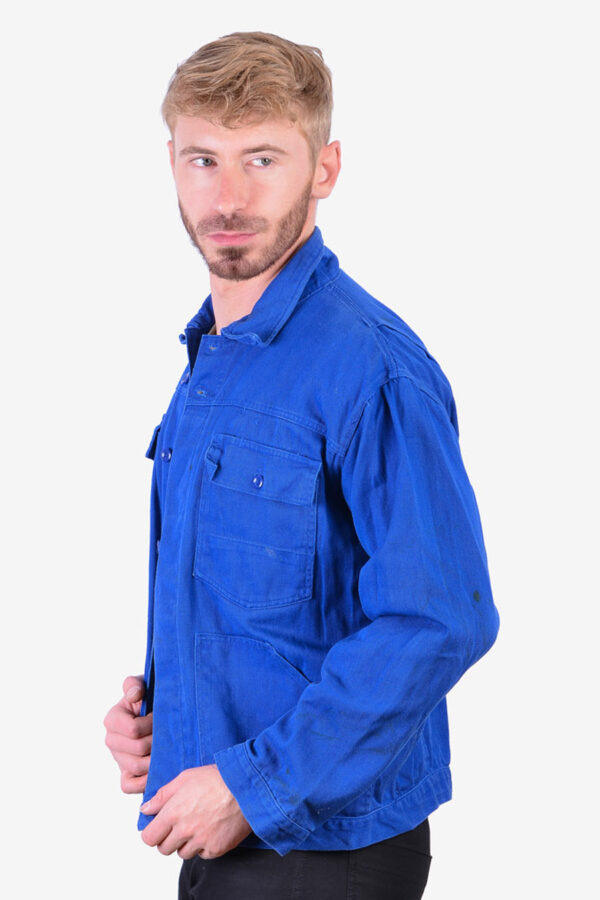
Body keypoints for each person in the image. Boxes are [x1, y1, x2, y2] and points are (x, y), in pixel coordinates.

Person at [104, 31, 500, 899]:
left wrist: (252, 786)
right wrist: (167, 717)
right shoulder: (215, 357)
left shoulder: (372, 368)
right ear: (171, 165)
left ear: (325, 169)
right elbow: (260, 608)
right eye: (204, 160)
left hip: (329, 853)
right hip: (220, 831)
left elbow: (439, 620)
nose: (229, 197)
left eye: (263, 160)